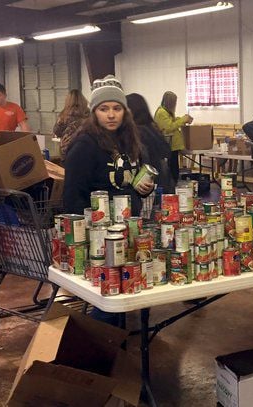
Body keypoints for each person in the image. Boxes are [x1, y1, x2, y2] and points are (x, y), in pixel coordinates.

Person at [63, 75, 154, 325]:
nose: (111, 115)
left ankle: (118, 338)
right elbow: (72, 194)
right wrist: (81, 237)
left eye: (116, 108)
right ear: (94, 113)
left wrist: (142, 188)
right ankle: (102, 344)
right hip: (98, 234)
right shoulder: (85, 145)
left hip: (127, 227)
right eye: (104, 109)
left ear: (125, 112)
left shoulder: (129, 141)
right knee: (108, 292)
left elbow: (130, 181)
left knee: (123, 286)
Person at [126, 93, 174, 193]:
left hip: (150, 183)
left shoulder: (138, 132)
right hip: (164, 180)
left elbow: (144, 160)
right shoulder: (152, 127)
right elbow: (167, 151)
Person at [154, 91, 193, 182]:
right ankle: (172, 186)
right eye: (174, 102)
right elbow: (169, 127)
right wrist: (182, 120)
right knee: (172, 168)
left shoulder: (166, 112)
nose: (175, 105)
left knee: (174, 167)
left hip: (172, 146)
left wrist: (182, 119)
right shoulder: (161, 112)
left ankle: (173, 183)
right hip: (168, 145)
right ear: (170, 102)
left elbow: (172, 121)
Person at [54, 89, 90, 160]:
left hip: (67, 150)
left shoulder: (64, 115)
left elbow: (56, 132)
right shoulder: (89, 114)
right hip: (86, 149)